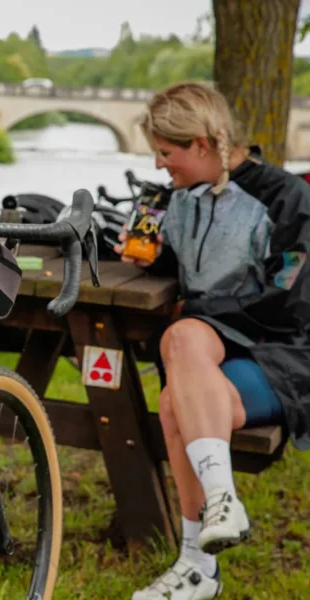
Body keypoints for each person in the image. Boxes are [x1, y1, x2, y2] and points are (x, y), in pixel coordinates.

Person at [115, 82, 310, 600]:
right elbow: (187, 267)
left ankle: (199, 563)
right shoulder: (179, 200)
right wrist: (152, 258)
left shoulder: (286, 197)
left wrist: (202, 311)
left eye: (166, 152)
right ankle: (219, 510)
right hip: (205, 352)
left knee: (177, 382)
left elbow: (290, 300)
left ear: (202, 144)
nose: (159, 166)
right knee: (181, 361)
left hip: (280, 355)